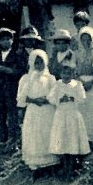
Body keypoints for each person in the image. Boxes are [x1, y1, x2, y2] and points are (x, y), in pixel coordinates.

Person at [16, 49, 59, 177]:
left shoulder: (51, 78)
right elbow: (21, 98)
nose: (39, 65)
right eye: (36, 62)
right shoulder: (26, 79)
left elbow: (55, 95)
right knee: (34, 135)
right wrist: (34, 100)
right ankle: (36, 166)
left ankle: (51, 164)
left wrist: (46, 100)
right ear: (31, 63)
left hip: (47, 111)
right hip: (33, 111)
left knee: (47, 134)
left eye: (41, 62)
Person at [47, 57, 90, 177]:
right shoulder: (57, 84)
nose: (66, 75)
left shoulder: (77, 84)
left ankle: (72, 167)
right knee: (62, 139)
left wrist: (73, 98)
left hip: (73, 114)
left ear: (73, 74)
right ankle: (64, 167)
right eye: (64, 73)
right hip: (61, 115)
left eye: (69, 73)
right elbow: (50, 98)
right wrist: (59, 99)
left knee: (72, 139)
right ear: (60, 73)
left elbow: (82, 98)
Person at [0, 27, 23, 144]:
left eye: (8, 39)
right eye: (3, 39)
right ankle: (2, 140)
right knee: (1, 116)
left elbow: (21, 72)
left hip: (12, 90)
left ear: (12, 40)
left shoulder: (17, 54)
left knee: (12, 116)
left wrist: (9, 71)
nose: (6, 42)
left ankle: (12, 140)